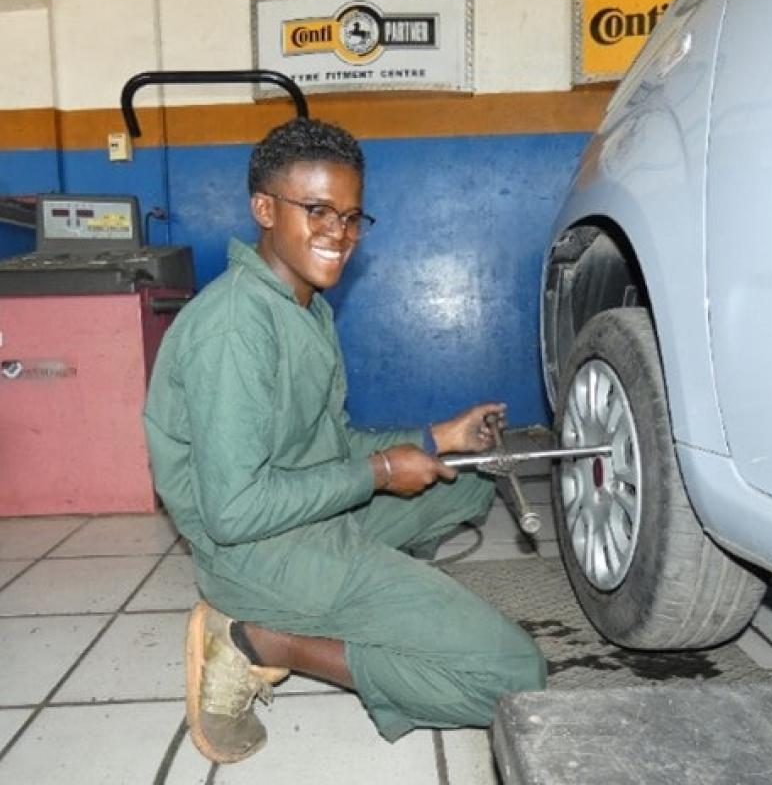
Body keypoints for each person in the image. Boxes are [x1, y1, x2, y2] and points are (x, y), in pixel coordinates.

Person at [143, 117, 546, 764]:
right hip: (255, 553)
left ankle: (363, 594)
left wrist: (437, 437)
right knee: (516, 677)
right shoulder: (234, 328)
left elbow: (329, 443)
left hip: (309, 517)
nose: (340, 233)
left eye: (353, 217)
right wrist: (382, 470)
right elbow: (235, 509)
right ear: (264, 209)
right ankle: (267, 640)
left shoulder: (304, 306)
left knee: (467, 478)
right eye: (319, 211)